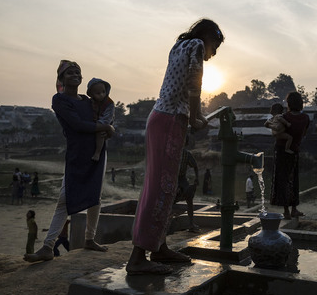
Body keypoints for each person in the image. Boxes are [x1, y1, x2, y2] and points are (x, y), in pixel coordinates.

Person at [126, 18, 224, 275]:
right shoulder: (197, 46)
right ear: (209, 38)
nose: (213, 54)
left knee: (160, 187)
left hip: (160, 117)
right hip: (171, 120)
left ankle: (158, 247)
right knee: (162, 188)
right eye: (216, 46)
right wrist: (195, 117)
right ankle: (137, 258)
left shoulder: (179, 45)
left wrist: (193, 115)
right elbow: (194, 82)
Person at [24, 60, 115, 263]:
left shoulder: (87, 100)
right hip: (77, 154)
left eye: (78, 72)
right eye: (69, 72)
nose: (75, 75)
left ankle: (89, 239)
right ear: (61, 78)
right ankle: (48, 246)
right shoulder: (59, 100)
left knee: (95, 197)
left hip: (97, 153)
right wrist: (104, 129)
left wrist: (108, 127)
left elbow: (106, 116)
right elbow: (77, 125)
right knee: (66, 198)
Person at [269, 91, 310, 220]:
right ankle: (294, 209)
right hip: (294, 150)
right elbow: (303, 134)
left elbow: (275, 133)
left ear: (289, 104)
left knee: (282, 180)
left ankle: (286, 211)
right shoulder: (305, 118)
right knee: (293, 179)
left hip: (281, 151)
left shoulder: (284, 117)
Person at [87, 78, 115, 162]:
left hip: (104, 123)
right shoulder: (90, 102)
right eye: (98, 93)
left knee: (100, 134)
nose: (101, 95)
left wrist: (100, 124)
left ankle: (97, 153)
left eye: (103, 92)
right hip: (93, 123)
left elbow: (108, 117)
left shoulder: (109, 103)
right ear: (92, 94)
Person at [174, 146, 200, 232]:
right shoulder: (183, 153)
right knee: (173, 200)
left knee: (189, 198)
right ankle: (190, 224)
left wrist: (197, 179)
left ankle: (191, 224)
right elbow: (195, 166)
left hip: (180, 179)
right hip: (173, 179)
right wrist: (197, 178)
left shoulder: (185, 154)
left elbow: (195, 166)